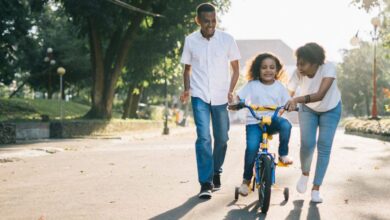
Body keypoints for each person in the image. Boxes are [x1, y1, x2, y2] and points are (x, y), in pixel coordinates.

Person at [179, 3, 241, 199]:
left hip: (221, 96)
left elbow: (236, 69)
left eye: (213, 20)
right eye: (206, 21)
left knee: (222, 138)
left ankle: (216, 171)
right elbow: (187, 69)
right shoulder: (190, 41)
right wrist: (187, 89)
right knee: (204, 137)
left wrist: (231, 90)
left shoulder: (227, 39)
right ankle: (205, 182)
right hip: (199, 96)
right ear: (198, 21)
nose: (211, 25)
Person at [285, 42, 342, 203]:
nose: (299, 67)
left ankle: (316, 189)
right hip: (308, 110)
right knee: (307, 144)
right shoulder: (298, 73)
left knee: (324, 147)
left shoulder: (328, 68)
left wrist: (296, 99)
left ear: (315, 62)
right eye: (297, 63)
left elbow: (320, 95)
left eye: (303, 63)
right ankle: (305, 173)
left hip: (331, 108)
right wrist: (283, 105)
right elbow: (287, 94)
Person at [235, 53, 293, 196]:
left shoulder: (279, 87)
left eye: (272, 67)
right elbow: (239, 96)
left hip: (272, 120)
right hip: (254, 121)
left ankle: (283, 154)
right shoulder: (252, 85)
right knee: (252, 148)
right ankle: (246, 181)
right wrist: (236, 103)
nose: (268, 70)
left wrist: (290, 105)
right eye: (264, 67)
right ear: (257, 69)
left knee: (286, 125)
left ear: (277, 70)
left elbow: (287, 101)